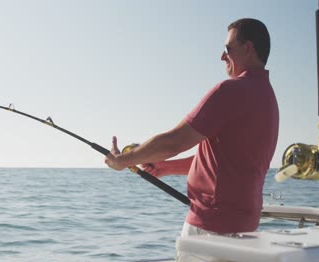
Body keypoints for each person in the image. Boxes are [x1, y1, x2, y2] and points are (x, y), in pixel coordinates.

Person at [105, 18, 278, 240]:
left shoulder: (230, 91)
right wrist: (165, 168)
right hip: (245, 228)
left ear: (248, 48)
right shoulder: (267, 98)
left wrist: (122, 161)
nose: (222, 56)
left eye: (228, 48)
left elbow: (173, 142)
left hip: (210, 229)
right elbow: (222, 162)